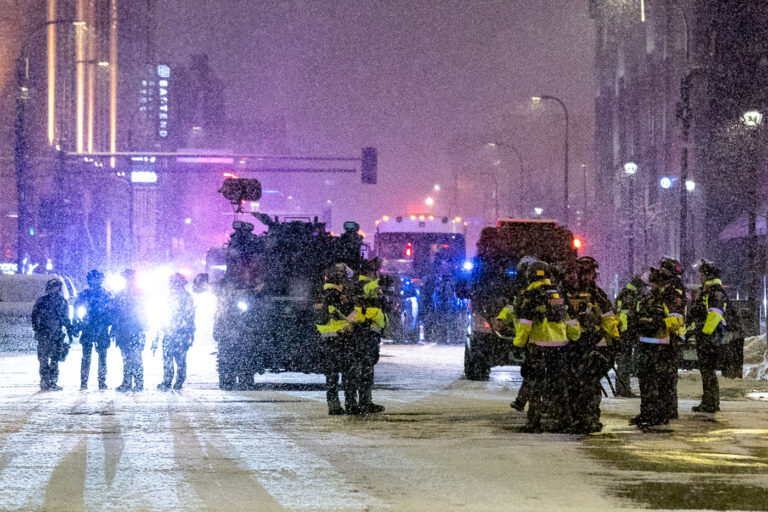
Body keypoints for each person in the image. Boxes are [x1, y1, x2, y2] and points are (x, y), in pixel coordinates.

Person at [513, 262, 581, 433]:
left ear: (530, 276)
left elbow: (525, 323)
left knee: (536, 387)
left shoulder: (529, 295)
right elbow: (571, 321)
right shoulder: (560, 294)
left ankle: (534, 423)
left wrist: (519, 343)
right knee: (559, 385)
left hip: (538, 347)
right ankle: (565, 421)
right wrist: (573, 335)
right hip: (560, 348)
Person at [569, 256, 620, 434]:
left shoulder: (598, 295)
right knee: (575, 384)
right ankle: (576, 417)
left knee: (590, 384)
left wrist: (613, 338)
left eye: (590, 273)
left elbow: (608, 317)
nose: (587, 277)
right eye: (584, 273)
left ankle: (590, 417)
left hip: (593, 346)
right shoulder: (568, 293)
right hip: (573, 347)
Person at [631, 267, 684, 427]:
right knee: (645, 382)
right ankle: (646, 412)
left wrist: (660, 323)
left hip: (663, 348)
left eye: (654, 283)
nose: (651, 286)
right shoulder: (648, 297)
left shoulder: (671, 298)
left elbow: (678, 320)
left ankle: (659, 415)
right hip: (646, 346)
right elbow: (638, 314)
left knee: (660, 384)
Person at [315, 263, 356, 415]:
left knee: (331, 375)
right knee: (348, 372)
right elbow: (350, 315)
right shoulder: (336, 295)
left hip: (328, 339)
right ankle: (350, 404)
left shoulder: (324, 293)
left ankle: (334, 405)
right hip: (341, 337)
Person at [689, 260, 728, 413]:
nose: (701, 277)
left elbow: (714, 315)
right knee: (706, 371)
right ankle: (708, 401)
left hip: (710, 337)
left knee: (708, 371)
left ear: (708, 275)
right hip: (707, 337)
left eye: (702, 274)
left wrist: (705, 334)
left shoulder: (715, 291)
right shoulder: (707, 291)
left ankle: (711, 403)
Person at [351, 258, 387, 414]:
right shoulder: (364, 285)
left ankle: (364, 401)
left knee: (366, 366)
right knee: (364, 367)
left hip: (369, 329)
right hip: (365, 330)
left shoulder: (365, 285)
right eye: (374, 271)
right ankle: (362, 402)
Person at [31, 279, 74, 391]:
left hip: (56, 334)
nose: (54, 289)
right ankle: (45, 381)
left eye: (56, 287)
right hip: (45, 333)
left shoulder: (61, 302)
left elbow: (65, 318)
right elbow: (35, 317)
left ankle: (52, 382)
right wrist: (38, 328)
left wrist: (70, 331)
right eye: (52, 287)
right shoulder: (43, 301)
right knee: (44, 359)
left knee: (54, 359)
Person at [156, 273, 196, 391]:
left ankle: (170, 380)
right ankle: (177, 381)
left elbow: (189, 315)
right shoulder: (183, 296)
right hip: (176, 331)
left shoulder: (177, 297)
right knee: (178, 357)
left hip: (175, 331)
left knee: (172, 357)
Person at [75, 269, 114, 390]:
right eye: (92, 279)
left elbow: (111, 312)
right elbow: (77, 311)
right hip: (91, 328)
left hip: (99, 328)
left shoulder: (104, 295)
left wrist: (108, 323)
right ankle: (86, 382)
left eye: (96, 279)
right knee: (89, 356)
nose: (94, 282)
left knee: (100, 357)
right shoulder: (89, 295)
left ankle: (99, 381)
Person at [659, 257, 686, 420]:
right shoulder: (676, 287)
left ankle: (669, 408)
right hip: (672, 335)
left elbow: (675, 313)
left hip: (671, 335)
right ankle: (669, 408)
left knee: (668, 375)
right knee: (668, 375)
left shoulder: (673, 289)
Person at [113, 269, 147, 392]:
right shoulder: (123, 294)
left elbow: (143, 312)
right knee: (128, 358)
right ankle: (130, 382)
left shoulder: (136, 293)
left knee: (133, 357)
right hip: (127, 330)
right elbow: (115, 313)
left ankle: (135, 383)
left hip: (133, 329)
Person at [614, 276, 646, 397]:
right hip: (626, 333)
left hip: (623, 332)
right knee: (624, 361)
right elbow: (629, 315)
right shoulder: (630, 295)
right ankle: (623, 389)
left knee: (624, 361)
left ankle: (622, 388)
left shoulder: (625, 293)